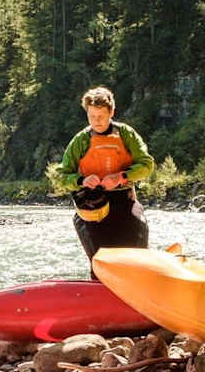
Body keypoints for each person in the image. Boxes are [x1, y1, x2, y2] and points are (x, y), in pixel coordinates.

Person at [54, 87, 155, 275]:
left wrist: (121, 177)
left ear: (111, 112)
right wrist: (81, 180)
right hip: (92, 208)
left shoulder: (126, 134)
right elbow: (60, 176)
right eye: (91, 116)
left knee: (138, 247)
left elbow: (147, 165)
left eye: (101, 116)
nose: (96, 121)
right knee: (100, 261)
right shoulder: (80, 140)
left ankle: (141, 282)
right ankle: (100, 284)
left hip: (125, 201)